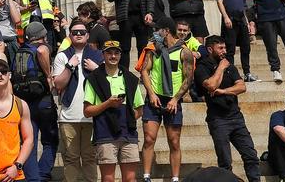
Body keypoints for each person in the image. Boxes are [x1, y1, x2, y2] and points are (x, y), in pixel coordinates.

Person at [193, 36, 259, 182]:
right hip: (218, 120)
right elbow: (210, 85)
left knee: (251, 156)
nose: (224, 51)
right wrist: (221, 68)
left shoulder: (230, 66)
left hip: (236, 117)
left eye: (225, 47)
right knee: (225, 162)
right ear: (210, 49)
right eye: (220, 48)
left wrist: (223, 91)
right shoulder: (202, 68)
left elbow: (242, 86)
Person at [139, 18, 192, 182]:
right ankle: (146, 176)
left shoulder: (184, 52)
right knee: (149, 138)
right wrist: (151, 93)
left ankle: (175, 178)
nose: (156, 33)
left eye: (158, 30)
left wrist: (176, 99)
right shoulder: (152, 49)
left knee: (174, 141)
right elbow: (144, 71)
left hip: (173, 100)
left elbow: (188, 78)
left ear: (166, 31)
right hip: (154, 98)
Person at [83, 41, 143, 182]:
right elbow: (87, 111)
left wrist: (128, 118)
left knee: (130, 178)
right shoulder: (93, 79)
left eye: (116, 53)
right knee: (108, 178)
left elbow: (139, 109)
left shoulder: (130, 78)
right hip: (105, 133)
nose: (113, 56)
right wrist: (108, 103)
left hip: (128, 133)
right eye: (109, 52)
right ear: (103, 54)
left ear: (121, 55)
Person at [54, 19, 101, 182]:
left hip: (92, 115)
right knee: (71, 158)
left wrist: (97, 70)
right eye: (75, 32)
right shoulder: (62, 56)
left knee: (90, 158)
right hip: (68, 117)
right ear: (70, 35)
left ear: (87, 35)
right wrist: (69, 66)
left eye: (82, 32)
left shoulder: (98, 55)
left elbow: (107, 84)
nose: (79, 35)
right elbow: (58, 84)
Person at [15, 21, 57, 182]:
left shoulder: (21, 50)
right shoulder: (42, 46)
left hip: (25, 102)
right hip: (43, 101)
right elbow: (41, 51)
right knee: (50, 139)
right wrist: (48, 74)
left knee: (28, 141)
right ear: (42, 35)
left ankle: (32, 177)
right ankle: (43, 173)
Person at [107, 0, 159, 71]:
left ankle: (143, 71)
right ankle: (125, 71)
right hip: (125, 17)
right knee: (125, 47)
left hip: (141, 16)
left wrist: (150, 12)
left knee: (142, 46)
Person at [214, 0, 255, 83]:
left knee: (246, 47)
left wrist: (247, 22)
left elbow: (243, 7)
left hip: (241, 19)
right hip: (230, 18)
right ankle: (230, 73)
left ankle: (247, 73)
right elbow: (219, 2)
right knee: (230, 48)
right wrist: (225, 17)